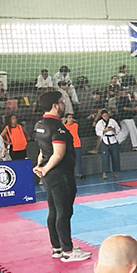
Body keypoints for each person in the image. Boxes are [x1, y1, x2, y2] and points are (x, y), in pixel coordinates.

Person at [33, 91, 91, 263]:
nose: (64, 105)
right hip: (60, 174)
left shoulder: (39, 124)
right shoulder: (57, 128)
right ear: (55, 106)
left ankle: (57, 248)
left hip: (50, 175)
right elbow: (58, 155)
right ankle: (68, 251)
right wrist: (44, 169)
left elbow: (43, 151)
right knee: (64, 212)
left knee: (54, 210)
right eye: (61, 102)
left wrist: (41, 166)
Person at [95, 109, 121, 179]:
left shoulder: (113, 121)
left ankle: (115, 172)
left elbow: (118, 129)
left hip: (113, 140)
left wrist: (113, 130)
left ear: (108, 115)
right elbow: (97, 132)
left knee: (115, 156)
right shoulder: (99, 123)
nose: (105, 117)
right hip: (105, 140)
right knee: (105, 157)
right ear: (102, 116)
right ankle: (104, 173)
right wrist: (104, 131)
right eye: (104, 116)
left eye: (106, 116)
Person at [64, 113, 84, 179]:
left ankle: (80, 173)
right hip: (69, 145)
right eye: (69, 117)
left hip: (77, 144)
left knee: (78, 159)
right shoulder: (64, 126)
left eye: (71, 117)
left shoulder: (75, 125)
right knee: (69, 160)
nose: (71, 119)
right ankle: (69, 174)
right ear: (66, 118)